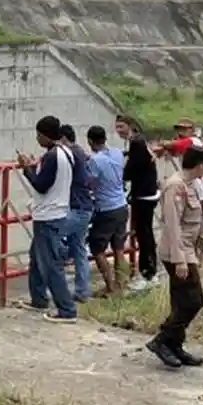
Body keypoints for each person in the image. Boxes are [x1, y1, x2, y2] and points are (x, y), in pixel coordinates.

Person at [147, 146, 203, 369]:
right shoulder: (175, 186)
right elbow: (173, 225)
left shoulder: (190, 185)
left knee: (181, 301)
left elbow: (196, 222)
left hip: (188, 249)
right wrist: (179, 259)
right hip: (178, 251)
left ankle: (175, 345)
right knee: (194, 301)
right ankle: (162, 340)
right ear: (200, 165)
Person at [17, 116, 78, 324]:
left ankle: (66, 310)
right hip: (57, 211)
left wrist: (27, 169)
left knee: (51, 264)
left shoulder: (52, 156)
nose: (37, 139)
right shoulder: (65, 153)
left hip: (48, 215)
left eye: (38, 135)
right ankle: (38, 299)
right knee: (36, 257)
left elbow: (41, 185)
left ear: (43, 134)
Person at [116, 115, 160, 291]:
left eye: (121, 127)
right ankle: (150, 272)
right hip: (147, 193)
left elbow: (129, 171)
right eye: (117, 127)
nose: (118, 131)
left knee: (144, 235)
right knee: (145, 234)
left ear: (131, 126)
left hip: (143, 195)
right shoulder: (139, 142)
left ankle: (148, 274)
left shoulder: (137, 143)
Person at [85, 126, 130, 296]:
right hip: (122, 205)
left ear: (90, 141)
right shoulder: (117, 152)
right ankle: (122, 283)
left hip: (106, 209)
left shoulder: (95, 161)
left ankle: (110, 287)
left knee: (97, 248)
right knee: (119, 248)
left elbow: (88, 181)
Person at [59, 125, 94, 302]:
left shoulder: (69, 154)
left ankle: (56, 290)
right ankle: (82, 290)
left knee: (50, 241)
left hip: (75, 208)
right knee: (79, 250)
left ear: (64, 139)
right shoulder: (81, 152)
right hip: (85, 207)